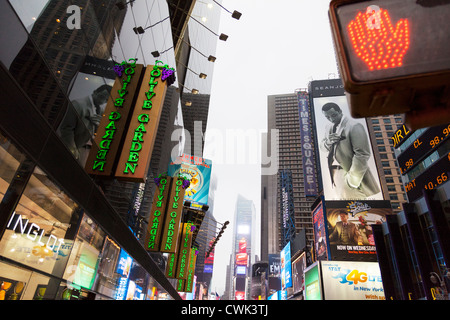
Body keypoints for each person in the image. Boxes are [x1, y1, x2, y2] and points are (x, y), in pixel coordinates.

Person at [320, 102, 380, 199]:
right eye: (327, 117)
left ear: (340, 111)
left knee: (355, 209)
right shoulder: (329, 127)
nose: (331, 119)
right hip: (335, 174)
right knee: (344, 208)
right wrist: (328, 142)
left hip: (350, 174)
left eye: (334, 115)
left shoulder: (354, 126)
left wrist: (352, 181)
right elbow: (322, 147)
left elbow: (362, 154)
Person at [59, 84, 112, 164]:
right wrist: (72, 150)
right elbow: (67, 129)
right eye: (101, 97)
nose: (103, 101)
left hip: (86, 147)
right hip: (75, 146)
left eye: (106, 100)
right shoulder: (79, 104)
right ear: (95, 92)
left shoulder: (100, 109)